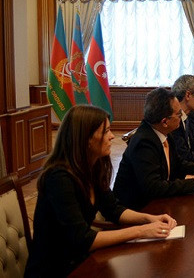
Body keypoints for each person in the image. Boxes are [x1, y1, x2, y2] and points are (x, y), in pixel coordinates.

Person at [25, 105, 178, 277]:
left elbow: (114, 209)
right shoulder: (59, 178)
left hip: (82, 261)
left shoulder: (93, 168)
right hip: (56, 270)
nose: (112, 136)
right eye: (106, 131)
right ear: (86, 138)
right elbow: (83, 239)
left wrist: (149, 218)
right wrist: (141, 231)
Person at [114, 88, 194, 210]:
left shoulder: (163, 132)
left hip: (160, 202)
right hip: (139, 208)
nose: (181, 116)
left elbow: (178, 164)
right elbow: (154, 187)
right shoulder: (144, 142)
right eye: (178, 114)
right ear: (165, 122)